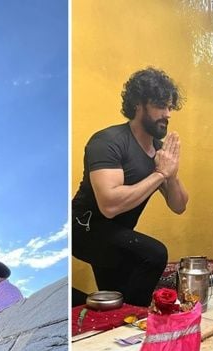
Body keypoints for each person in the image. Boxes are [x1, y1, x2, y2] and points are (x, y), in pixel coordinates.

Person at [72, 67, 190, 307]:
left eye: (170, 107)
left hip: (117, 236)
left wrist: (172, 174)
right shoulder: (108, 141)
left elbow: (179, 206)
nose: (167, 114)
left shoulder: (158, 151)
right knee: (153, 254)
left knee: (116, 298)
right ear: (139, 104)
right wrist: (159, 174)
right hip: (85, 230)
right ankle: (134, 319)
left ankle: (112, 322)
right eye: (160, 106)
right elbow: (109, 205)